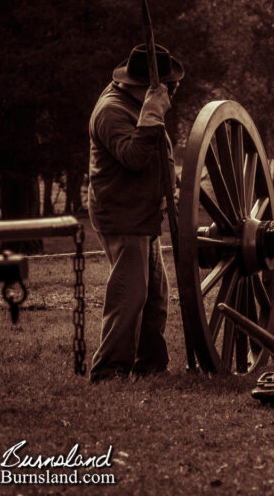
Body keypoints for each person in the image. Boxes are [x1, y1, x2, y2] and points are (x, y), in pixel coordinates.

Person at [88, 44, 183, 382]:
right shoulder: (112, 111)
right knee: (131, 293)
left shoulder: (133, 103)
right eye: (164, 84)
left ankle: (150, 363)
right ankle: (109, 369)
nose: (171, 90)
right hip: (121, 213)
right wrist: (153, 112)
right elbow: (133, 157)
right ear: (141, 84)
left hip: (141, 212)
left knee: (155, 293)